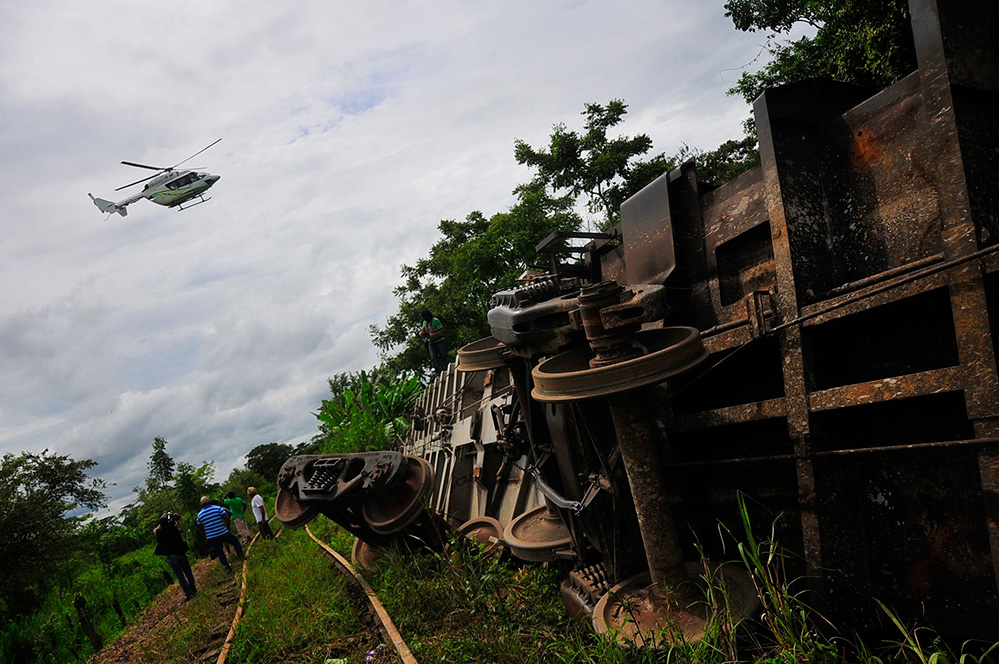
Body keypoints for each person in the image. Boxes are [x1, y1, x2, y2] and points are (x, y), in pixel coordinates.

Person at [153, 512, 197, 601]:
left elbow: (155, 530)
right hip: (181, 553)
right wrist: (178, 521)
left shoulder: (159, 532)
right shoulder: (174, 529)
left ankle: (188, 594)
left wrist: (162, 523)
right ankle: (193, 589)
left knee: (180, 576)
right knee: (188, 572)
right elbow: (182, 529)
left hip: (171, 556)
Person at [196, 496, 244, 572]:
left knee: (220, 552)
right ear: (209, 501)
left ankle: (227, 567)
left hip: (212, 537)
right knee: (235, 541)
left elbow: (200, 529)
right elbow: (227, 518)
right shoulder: (217, 508)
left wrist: (206, 538)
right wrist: (227, 528)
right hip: (223, 532)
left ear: (201, 504)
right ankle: (241, 556)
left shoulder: (199, 515)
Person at [418, 308, 447, 373]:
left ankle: (448, 367)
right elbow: (423, 330)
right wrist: (421, 333)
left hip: (439, 340)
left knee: (443, 354)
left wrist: (434, 334)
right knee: (433, 357)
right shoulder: (425, 323)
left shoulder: (435, 320)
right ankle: (438, 372)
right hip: (431, 342)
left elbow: (442, 330)